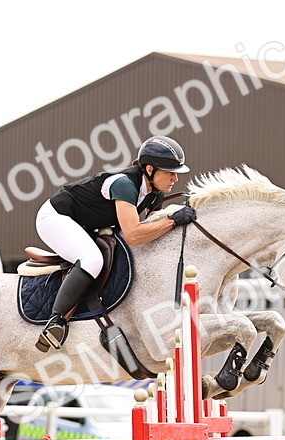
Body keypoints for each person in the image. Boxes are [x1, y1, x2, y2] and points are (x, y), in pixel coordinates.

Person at [34, 135, 198, 351]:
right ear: (149, 170)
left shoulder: (153, 194)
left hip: (84, 224)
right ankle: (56, 321)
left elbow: (151, 231)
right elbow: (133, 234)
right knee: (92, 259)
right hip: (55, 218)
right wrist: (173, 220)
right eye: (170, 172)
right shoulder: (124, 184)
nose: (175, 179)